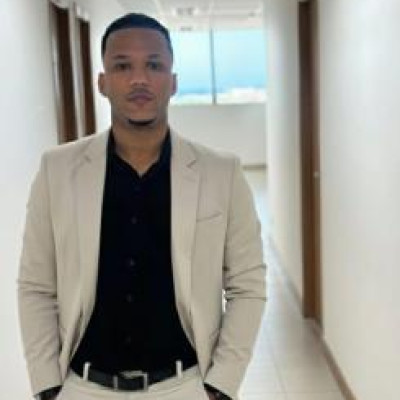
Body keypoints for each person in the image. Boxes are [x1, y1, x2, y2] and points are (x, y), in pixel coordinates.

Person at [18, 13, 266, 400]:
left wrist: (222, 385)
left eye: (153, 65)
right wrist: (47, 384)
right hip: (83, 387)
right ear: (102, 82)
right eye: (122, 66)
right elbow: (36, 285)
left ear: (173, 81)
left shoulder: (222, 173)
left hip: (185, 386)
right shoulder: (58, 170)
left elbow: (247, 285)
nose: (139, 79)